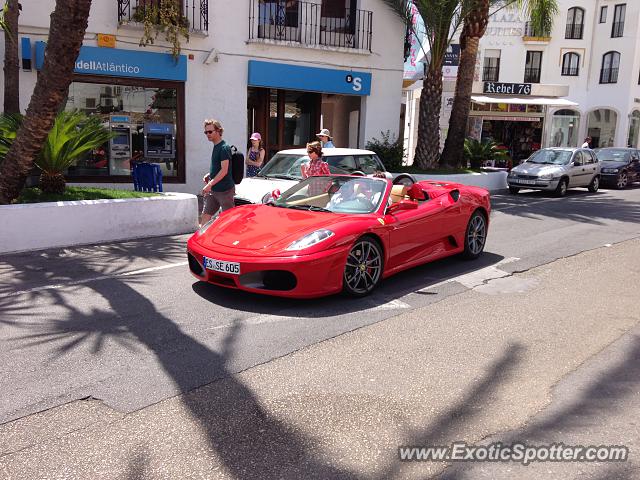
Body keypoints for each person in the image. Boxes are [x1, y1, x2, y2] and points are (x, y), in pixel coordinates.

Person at [201, 119, 235, 226]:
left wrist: (209, 184)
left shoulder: (224, 148)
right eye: (206, 132)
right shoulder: (216, 146)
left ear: (218, 131)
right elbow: (219, 167)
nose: (208, 134)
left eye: (210, 132)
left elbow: (224, 170)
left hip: (225, 191)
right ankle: (201, 240)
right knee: (206, 216)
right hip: (214, 190)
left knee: (229, 220)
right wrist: (210, 175)